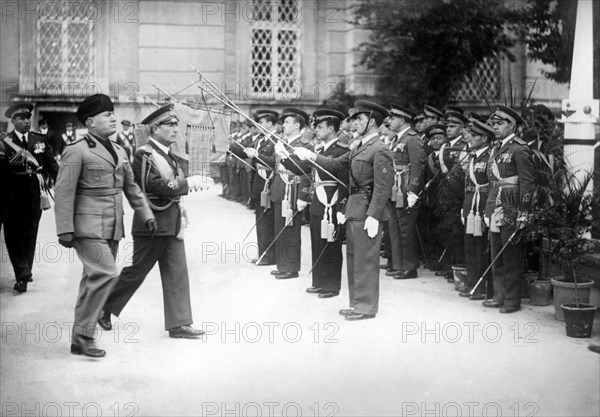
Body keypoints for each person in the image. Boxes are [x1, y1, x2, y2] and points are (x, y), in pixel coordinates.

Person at [54, 94, 156, 358]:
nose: (112, 118)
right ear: (90, 122)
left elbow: (131, 187)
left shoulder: (119, 150)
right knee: (106, 274)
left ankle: (79, 339)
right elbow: (64, 190)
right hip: (86, 228)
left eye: (113, 114)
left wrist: (145, 212)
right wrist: (64, 228)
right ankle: (85, 335)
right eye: (106, 115)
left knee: (92, 279)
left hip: (112, 227)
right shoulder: (77, 150)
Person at [98, 103, 209, 339]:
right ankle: (103, 306)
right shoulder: (144, 155)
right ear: (155, 129)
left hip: (171, 220)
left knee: (177, 271)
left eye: (176, 125)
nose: (175, 129)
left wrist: (186, 186)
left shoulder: (168, 155)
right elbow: (154, 185)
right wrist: (188, 183)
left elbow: (170, 186)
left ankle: (179, 323)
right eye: (170, 125)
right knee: (136, 272)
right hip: (152, 223)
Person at [293, 100, 394, 320]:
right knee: (354, 258)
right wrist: (311, 156)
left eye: (359, 118)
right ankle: (357, 303)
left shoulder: (380, 149)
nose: (354, 122)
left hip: (367, 209)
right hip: (354, 208)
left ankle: (366, 307)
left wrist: (374, 215)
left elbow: (383, 186)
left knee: (366, 260)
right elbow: (335, 165)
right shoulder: (358, 146)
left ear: (372, 121)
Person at [278, 109, 350, 298]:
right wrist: (285, 157)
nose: (316, 130)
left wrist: (343, 206)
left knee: (331, 245)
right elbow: (302, 170)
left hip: (332, 202)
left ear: (332, 129)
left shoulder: (343, 151)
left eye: (320, 127)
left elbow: (344, 181)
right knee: (317, 243)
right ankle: (319, 281)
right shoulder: (319, 150)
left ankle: (331, 286)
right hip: (318, 201)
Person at [245, 108, 313, 280]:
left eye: (288, 122)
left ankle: (291, 267)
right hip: (279, 187)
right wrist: (257, 155)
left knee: (290, 230)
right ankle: (282, 264)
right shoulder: (282, 142)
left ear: (297, 125)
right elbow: (274, 165)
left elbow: (305, 171)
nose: (284, 125)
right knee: (280, 229)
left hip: (292, 188)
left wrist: (303, 196)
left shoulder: (304, 145)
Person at [1, 103, 59, 293]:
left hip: (35, 193)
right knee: (12, 234)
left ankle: (25, 271)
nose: (26, 121)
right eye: (22, 118)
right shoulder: (4, 142)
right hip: (10, 194)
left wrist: (64, 186)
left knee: (29, 233)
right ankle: (22, 273)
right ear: (13, 121)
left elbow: (52, 166)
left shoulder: (39, 140)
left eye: (28, 117)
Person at [484, 105, 535, 313]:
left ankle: (512, 300)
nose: (495, 127)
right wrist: (488, 210)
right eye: (493, 123)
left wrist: (523, 212)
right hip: (496, 202)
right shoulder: (496, 148)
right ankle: (499, 295)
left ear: (511, 125)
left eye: (500, 123)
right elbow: (492, 182)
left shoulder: (519, 149)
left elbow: (527, 184)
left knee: (510, 253)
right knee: (496, 250)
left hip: (512, 204)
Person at [387, 104, 426, 279]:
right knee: (395, 228)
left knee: (406, 228)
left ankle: (409, 266)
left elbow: (418, 167)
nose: (389, 121)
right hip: (396, 188)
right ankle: (398, 264)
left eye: (393, 118)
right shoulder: (397, 139)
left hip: (405, 189)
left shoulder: (412, 139)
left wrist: (412, 191)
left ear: (402, 120)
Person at [459, 119, 495, 299]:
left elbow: (493, 185)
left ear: (484, 138)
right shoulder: (472, 155)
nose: (470, 138)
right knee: (469, 245)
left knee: (481, 246)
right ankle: (472, 282)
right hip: (470, 204)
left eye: (474, 136)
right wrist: (464, 207)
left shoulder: (490, 156)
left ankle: (481, 287)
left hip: (482, 204)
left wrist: (489, 210)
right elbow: (468, 183)